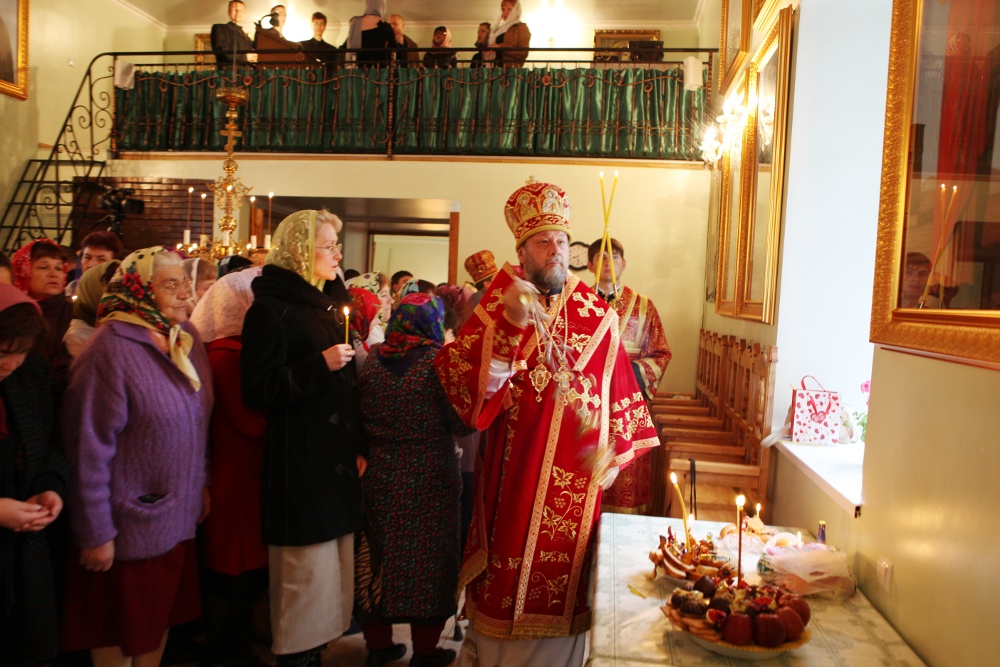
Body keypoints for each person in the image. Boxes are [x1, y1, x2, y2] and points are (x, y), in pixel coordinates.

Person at [434, 180, 658, 666]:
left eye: (560, 240)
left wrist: (615, 456)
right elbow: (466, 389)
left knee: (563, 600)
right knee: (502, 588)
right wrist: (510, 327)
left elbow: (622, 392)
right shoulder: (499, 301)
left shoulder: (596, 313)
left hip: (573, 487)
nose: (555, 250)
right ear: (522, 251)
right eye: (542, 242)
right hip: (511, 478)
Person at [61, 247, 213, 667]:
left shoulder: (185, 338)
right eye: (170, 284)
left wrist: (201, 483)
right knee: (117, 631)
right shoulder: (109, 350)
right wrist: (95, 532)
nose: (186, 293)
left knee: (157, 621)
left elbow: (200, 421)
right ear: (138, 290)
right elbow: (87, 449)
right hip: (124, 526)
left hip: (175, 517)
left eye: (186, 283)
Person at [240, 210, 367, 667]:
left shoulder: (326, 303)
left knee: (329, 582)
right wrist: (320, 365)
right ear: (298, 252)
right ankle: (295, 657)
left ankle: (315, 654)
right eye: (328, 246)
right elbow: (257, 389)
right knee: (303, 581)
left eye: (336, 245)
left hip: (334, 464)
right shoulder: (270, 309)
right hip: (300, 463)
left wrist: (359, 446)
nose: (337, 255)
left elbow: (348, 388)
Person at [357, 293, 474, 667]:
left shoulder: (372, 361)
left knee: (379, 559)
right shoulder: (438, 364)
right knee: (430, 564)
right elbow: (461, 423)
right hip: (429, 477)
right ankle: (425, 652)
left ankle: (378, 646)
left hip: (380, 474)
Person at [191, 267, 270, 666]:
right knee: (232, 575)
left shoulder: (228, 351)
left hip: (239, 477)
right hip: (234, 479)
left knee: (241, 575)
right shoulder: (228, 356)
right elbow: (251, 423)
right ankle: (229, 653)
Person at [0, 285, 67, 665]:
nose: (11, 364)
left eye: (21, 351)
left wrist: (50, 487)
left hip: (24, 556)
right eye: (2, 353)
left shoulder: (29, 372)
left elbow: (50, 443)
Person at [586, 237, 671, 514]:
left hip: (627, 408)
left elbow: (661, 354)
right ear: (589, 265)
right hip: (589, 408)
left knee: (626, 484)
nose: (608, 262)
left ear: (624, 263)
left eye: (614, 256)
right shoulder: (578, 304)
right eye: (600, 257)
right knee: (587, 483)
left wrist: (630, 373)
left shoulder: (644, 307)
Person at [11, 239, 74, 390]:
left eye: (59, 268)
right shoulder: (13, 313)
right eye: (43, 267)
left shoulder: (73, 312)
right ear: (24, 271)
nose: (53, 274)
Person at [63, 260, 121, 359]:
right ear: (92, 291)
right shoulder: (77, 338)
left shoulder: (119, 325)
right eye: (111, 289)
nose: (119, 296)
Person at [66, 230, 123, 297]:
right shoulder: (71, 288)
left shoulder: (122, 294)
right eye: (87, 257)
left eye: (101, 259)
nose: (91, 265)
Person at [345, 0, 399, 68]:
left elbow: (349, 45)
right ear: (382, 6)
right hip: (379, 65)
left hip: (361, 64)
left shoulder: (356, 22)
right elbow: (394, 48)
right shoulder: (385, 26)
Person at [485, 0, 531, 67]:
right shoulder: (499, 29)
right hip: (495, 68)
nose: (505, 12)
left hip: (511, 69)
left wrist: (501, 46)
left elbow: (523, 53)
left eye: (509, 9)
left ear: (516, 11)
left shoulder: (521, 27)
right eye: (503, 9)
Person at [212, 0, 257, 68]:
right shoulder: (219, 28)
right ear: (229, 12)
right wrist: (245, 57)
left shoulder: (247, 38)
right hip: (228, 73)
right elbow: (222, 51)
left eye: (241, 10)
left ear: (245, 14)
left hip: (246, 74)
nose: (238, 12)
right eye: (235, 9)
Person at [346, 286, 382, 370]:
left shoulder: (359, 339)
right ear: (361, 315)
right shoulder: (353, 347)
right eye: (373, 316)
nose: (377, 322)